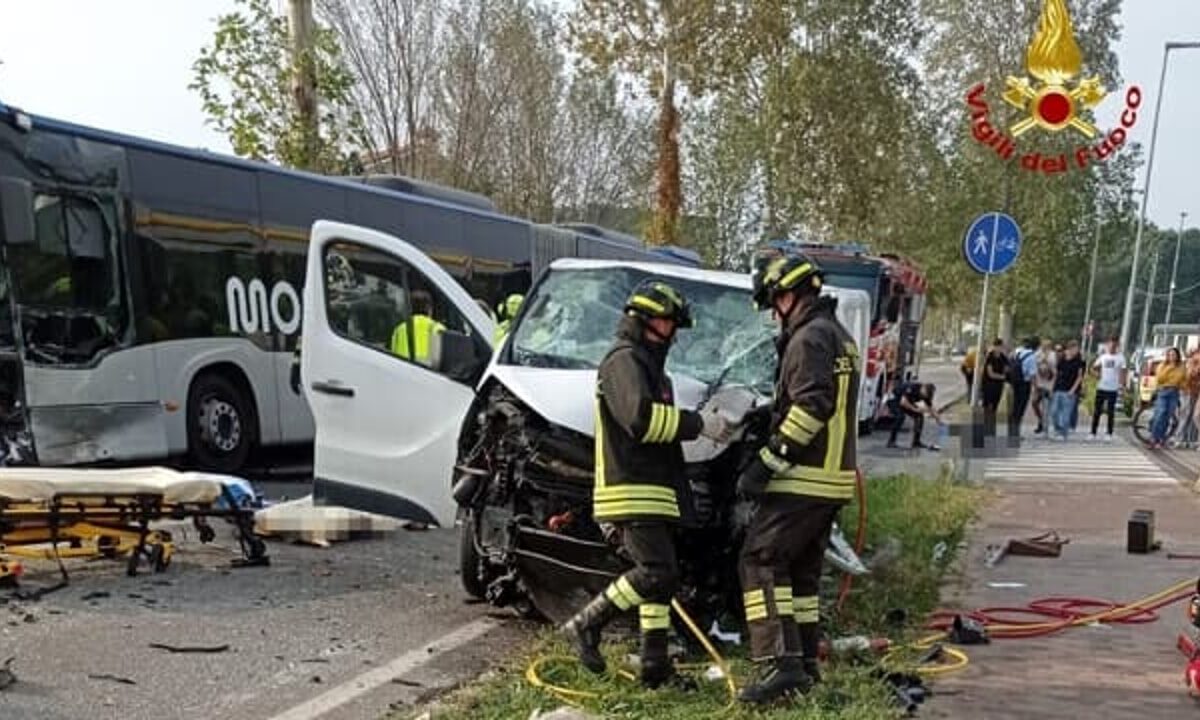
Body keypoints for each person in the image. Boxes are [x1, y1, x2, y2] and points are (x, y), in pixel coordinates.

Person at [562, 280, 734, 689]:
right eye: (668, 322)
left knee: (664, 580)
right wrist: (700, 424)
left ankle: (655, 669)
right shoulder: (623, 361)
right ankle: (586, 624)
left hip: (654, 491)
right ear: (645, 319)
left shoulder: (651, 367)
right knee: (655, 571)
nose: (673, 332)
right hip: (630, 489)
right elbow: (640, 421)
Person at [734, 252, 860, 704]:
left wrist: (766, 463)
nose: (774, 313)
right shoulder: (836, 334)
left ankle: (778, 664)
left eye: (774, 302)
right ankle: (805, 664)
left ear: (788, 295)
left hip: (803, 477)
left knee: (760, 560)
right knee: (801, 575)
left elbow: (811, 407)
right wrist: (770, 412)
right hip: (830, 479)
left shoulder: (808, 338)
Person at [391, 290, 445, 366]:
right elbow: (440, 362)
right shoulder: (438, 329)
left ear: (409, 308)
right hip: (427, 375)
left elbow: (392, 357)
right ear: (429, 309)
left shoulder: (399, 329)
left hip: (402, 374)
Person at [1089, 337, 1126, 442]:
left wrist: (1122, 385)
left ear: (1117, 346)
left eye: (1114, 345)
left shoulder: (1121, 358)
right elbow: (1093, 368)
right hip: (1101, 387)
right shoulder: (1103, 357)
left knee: (1110, 412)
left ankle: (1109, 433)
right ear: (1107, 345)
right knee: (1097, 411)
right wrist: (1096, 375)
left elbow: (1123, 372)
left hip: (1113, 388)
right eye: (1110, 345)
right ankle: (1093, 432)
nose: (1111, 347)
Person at [887, 382, 943, 450]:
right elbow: (903, 402)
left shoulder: (926, 394)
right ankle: (891, 441)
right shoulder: (912, 388)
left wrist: (938, 419)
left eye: (926, 396)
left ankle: (916, 442)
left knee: (919, 416)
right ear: (923, 388)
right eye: (924, 395)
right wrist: (915, 409)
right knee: (900, 417)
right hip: (893, 399)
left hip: (906, 402)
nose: (924, 397)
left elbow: (930, 408)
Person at [1150, 347, 1186, 449]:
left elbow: (1183, 379)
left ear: (1177, 356)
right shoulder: (1162, 365)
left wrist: (1183, 386)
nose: (1171, 357)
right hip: (1163, 391)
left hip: (1174, 392)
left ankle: (1160, 439)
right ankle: (1154, 438)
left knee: (1167, 417)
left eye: (1174, 355)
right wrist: (1170, 368)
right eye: (1169, 355)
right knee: (1160, 414)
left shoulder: (1181, 367)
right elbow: (1160, 378)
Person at [1050, 341, 1085, 441]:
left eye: (1077, 349)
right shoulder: (1061, 360)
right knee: (1054, 411)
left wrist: (1073, 390)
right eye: (1074, 348)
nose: (1076, 351)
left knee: (1066, 414)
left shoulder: (1079, 362)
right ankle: (1057, 429)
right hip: (1058, 389)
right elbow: (1056, 375)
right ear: (1069, 349)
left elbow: (1079, 377)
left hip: (1069, 391)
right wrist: (1052, 388)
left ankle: (1063, 433)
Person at [1007, 337, 1038, 442]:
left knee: (1013, 408)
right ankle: (1015, 434)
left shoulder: (1016, 351)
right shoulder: (1032, 356)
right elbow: (1033, 374)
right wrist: (1035, 389)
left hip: (1013, 383)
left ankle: (1010, 432)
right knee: (1020, 409)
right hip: (1024, 384)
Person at [981, 339, 1008, 438]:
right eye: (998, 346)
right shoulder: (990, 357)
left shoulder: (1003, 357)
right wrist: (1002, 377)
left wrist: (1006, 373)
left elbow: (1007, 368)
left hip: (998, 385)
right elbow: (990, 373)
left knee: (995, 405)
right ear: (995, 346)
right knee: (987, 405)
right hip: (988, 384)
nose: (1000, 349)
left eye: (1001, 347)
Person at [1032, 340, 1057, 436]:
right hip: (1038, 383)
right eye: (1043, 346)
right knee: (1034, 403)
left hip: (1048, 384)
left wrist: (1052, 386)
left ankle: (1045, 427)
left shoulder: (1052, 355)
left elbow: (1054, 371)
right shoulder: (1037, 354)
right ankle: (1041, 420)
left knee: (1047, 406)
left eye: (1047, 346)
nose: (1045, 348)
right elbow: (1034, 366)